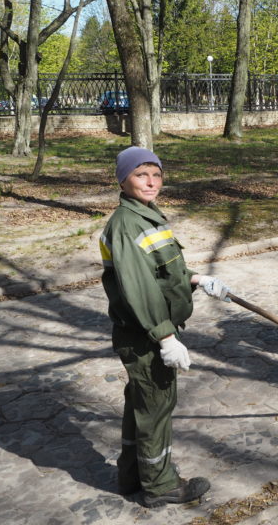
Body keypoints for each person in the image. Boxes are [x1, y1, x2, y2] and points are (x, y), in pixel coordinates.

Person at [99, 146, 232, 508]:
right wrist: (167, 338)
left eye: (156, 175)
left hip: (149, 333)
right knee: (155, 407)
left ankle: (131, 477)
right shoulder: (127, 224)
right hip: (145, 336)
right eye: (142, 175)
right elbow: (138, 287)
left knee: (140, 406)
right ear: (123, 179)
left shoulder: (146, 216)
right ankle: (160, 487)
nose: (151, 182)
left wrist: (197, 279)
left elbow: (161, 271)